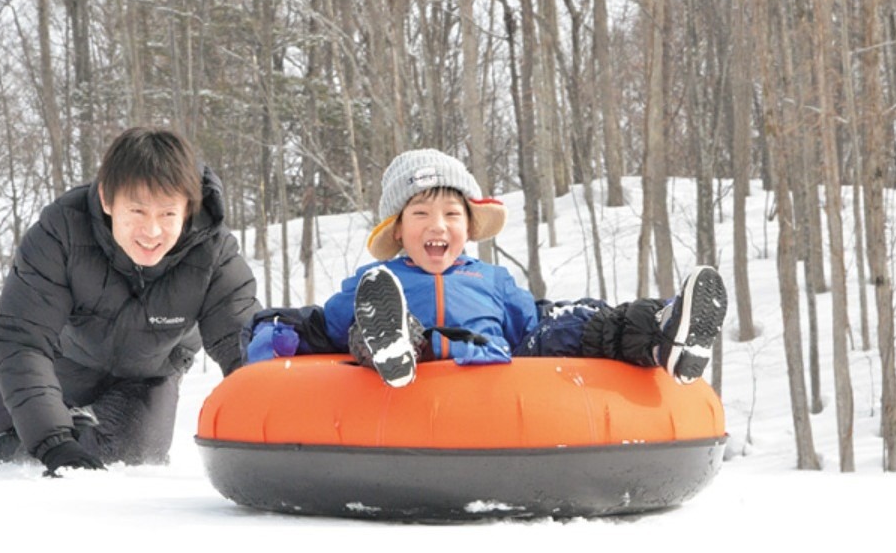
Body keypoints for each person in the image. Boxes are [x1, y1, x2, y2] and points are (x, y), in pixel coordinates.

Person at [245, 148, 726, 389]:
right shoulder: (376, 283)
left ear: (470, 227)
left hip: (489, 364)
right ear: (397, 230)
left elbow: (528, 327)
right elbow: (319, 326)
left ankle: (666, 332)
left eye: (452, 215)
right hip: (417, 369)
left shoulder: (491, 279)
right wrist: (276, 333)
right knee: (365, 331)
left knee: (574, 322)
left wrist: (577, 325)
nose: (439, 225)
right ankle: (391, 343)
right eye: (421, 214)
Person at [0, 127, 261, 475]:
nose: (152, 231)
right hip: (64, 360)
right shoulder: (61, 231)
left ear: (187, 208)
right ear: (108, 199)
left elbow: (241, 343)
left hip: (149, 374)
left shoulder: (214, 250)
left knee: (129, 460)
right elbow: (23, 340)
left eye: (167, 214)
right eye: (137, 211)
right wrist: (52, 440)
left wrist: (269, 426)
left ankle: (74, 428)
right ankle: (39, 429)